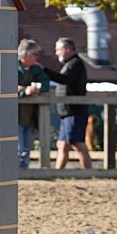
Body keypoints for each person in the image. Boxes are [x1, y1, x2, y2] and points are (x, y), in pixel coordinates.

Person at [42, 37, 91, 169]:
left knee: (77, 143)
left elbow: (64, 79)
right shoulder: (72, 64)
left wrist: (43, 70)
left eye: (58, 49)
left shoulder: (75, 63)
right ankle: (58, 172)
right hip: (68, 111)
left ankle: (89, 174)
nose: (57, 53)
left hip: (74, 111)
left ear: (67, 49)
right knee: (63, 144)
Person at [16, 38, 50, 169]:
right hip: (15, 115)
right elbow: (5, 88)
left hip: (30, 115)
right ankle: (16, 171)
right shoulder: (12, 66)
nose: (37, 57)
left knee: (27, 146)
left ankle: (24, 169)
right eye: (34, 54)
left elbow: (46, 83)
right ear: (25, 53)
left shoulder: (35, 69)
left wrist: (36, 90)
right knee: (18, 146)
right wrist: (25, 91)